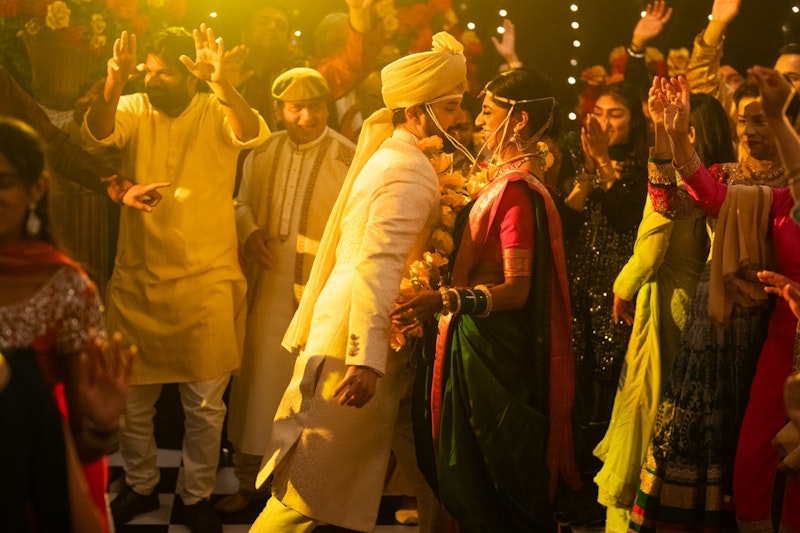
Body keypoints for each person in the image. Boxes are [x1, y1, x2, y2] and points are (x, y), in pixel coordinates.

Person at [249, 31, 467, 533]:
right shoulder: (407, 169)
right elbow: (378, 263)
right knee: (308, 486)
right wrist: (365, 359)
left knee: (435, 478)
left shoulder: (403, 159)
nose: (460, 118)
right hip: (357, 347)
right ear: (415, 113)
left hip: (389, 344)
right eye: (450, 107)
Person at [81, 25, 268, 533]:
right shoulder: (134, 105)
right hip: (138, 277)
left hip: (207, 279)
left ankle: (195, 496)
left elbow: (250, 131)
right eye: (149, 72)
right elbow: (97, 132)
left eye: (163, 73)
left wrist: (221, 83)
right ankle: (141, 485)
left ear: (190, 74)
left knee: (205, 406)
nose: (152, 80)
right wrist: (115, 81)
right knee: (133, 401)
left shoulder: (215, 109)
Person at [391, 68, 582, 531]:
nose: (477, 120)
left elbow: (517, 290)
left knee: (489, 480)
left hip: (492, 353)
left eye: (488, 111)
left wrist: (445, 299)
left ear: (518, 120)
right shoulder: (499, 181)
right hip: (476, 344)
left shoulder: (516, 193)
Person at [633, 73, 799, 532]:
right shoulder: (778, 197)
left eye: (766, 120)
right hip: (749, 330)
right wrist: (671, 134)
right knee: (749, 463)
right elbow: (693, 199)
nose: (752, 130)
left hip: (771, 327)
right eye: (745, 120)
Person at [215, 67, 355, 514]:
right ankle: (248, 481)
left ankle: (297, 491)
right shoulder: (262, 149)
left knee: (310, 391)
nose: (307, 117)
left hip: (319, 295)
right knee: (257, 387)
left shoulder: (347, 157)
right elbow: (240, 202)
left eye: (315, 107)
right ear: (279, 110)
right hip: (265, 292)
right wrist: (249, 230)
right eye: (297, 108)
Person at [593, 89, 733, 531]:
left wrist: (622, 287)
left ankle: (635, 515)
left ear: (691, 133)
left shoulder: (675, 182)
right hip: (700, 301)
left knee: (649, 408)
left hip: (666, 302)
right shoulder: (722, 178)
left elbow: (652, 250)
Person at [0, 117, 134, 533]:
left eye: (3, 182)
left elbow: (81, 446)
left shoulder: (66, 288)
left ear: (36, 189)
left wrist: (103, 423)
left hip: (27, 486)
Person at [561, 80, 649, 522]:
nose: (605, 122)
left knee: (610, 391)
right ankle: (575, 491)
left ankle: (607, 496)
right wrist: (587, 172)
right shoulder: (574, 156)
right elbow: (565, 222)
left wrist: (603, 164)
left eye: (616, 114)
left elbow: (626, 215)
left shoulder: (647, 166)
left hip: (619, 293)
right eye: (598, 112)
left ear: (634, 121)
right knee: (576, 391)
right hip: (578, 289)